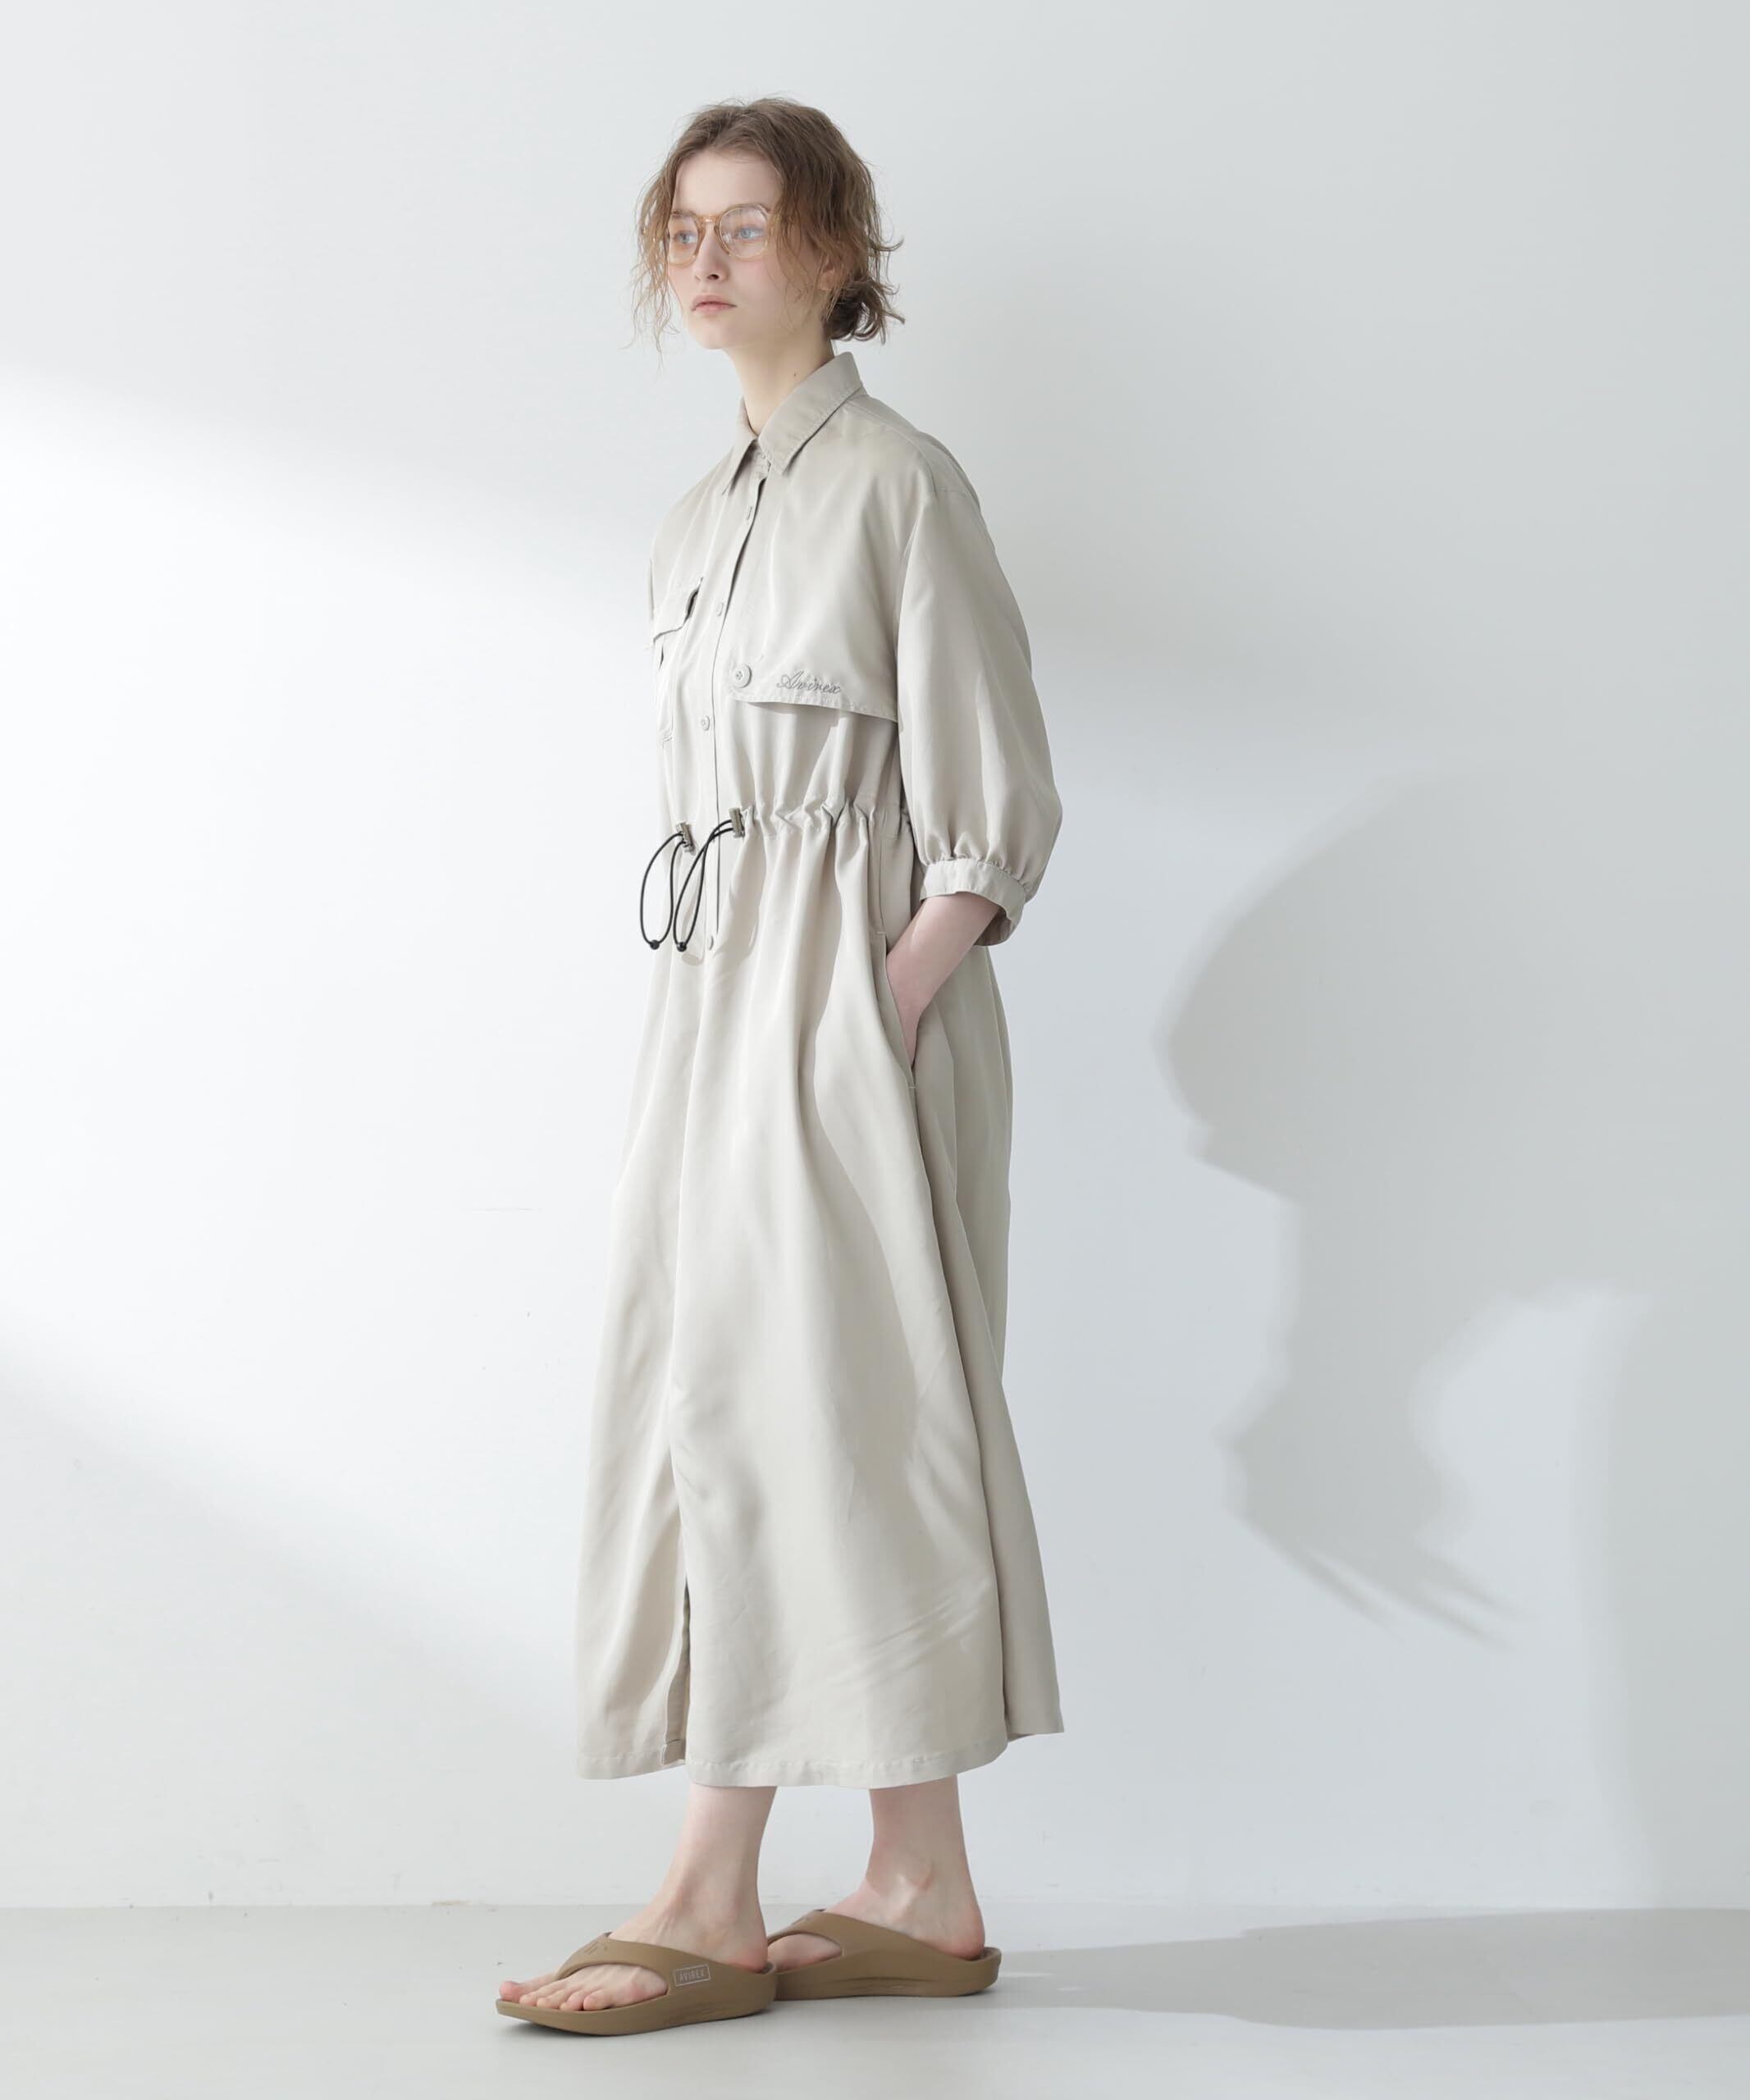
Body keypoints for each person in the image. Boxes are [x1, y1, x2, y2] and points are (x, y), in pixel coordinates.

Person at [498, 96, 1066, 2038]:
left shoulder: (898, 482)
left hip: (840, 1011)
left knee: (805, 1407)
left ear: (832, 250)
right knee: (780, 1403)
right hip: (713, 1002)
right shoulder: (698, 520)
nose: (704, 258)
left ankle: (705, 1886)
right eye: (680, 229)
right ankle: (919, 1878)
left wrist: (875, 1007)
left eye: (744, 225)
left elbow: (991, 806)